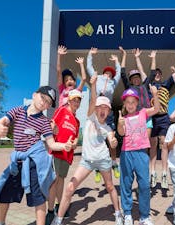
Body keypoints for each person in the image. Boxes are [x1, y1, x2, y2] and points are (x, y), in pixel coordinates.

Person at [0, 86, 72, 225]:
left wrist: (64, 145)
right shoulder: (17, 111)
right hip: (17, 162)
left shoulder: (44, 121)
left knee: (39, 199)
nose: (43, 103)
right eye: (42, 98)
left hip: (34, 162)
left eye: (48, 102)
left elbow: (51, 144)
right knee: (4, 192)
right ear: (34, 95)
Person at [50, 75, 123, 225]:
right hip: (87, 162)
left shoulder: (108, 128)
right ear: (95, 109)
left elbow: (112, 141)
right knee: (70, 187)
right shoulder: (90, 118)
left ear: (109, 111)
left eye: (106, 108)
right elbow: (93, 99)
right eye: (100, 107)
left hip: (103, 161)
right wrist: (94, 84)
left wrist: (114, 142)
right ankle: (58, 219)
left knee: (110, 187)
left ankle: (118, 213)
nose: (103, 110)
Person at [143, 45, 175, 189]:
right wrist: (145, 58)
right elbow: (144, 73)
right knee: (153, 145)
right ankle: (152, 172)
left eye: (158, 73)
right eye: (155, 73)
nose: (156, 75)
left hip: (164, 118)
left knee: (165, 143)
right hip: (152, 118)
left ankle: (164, 173)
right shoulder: (149, 86)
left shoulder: (165, 85)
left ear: (161, 76)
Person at [117, 86, 159, 225]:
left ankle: (144, 217)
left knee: (144, 185)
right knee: (126, 184)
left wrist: (155, 94)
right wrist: (119, 124)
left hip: (141, 153)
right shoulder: (123, 118)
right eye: (127, 102)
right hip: (126, 153)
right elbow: (121, 134)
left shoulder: (143, 113)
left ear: (137, 102)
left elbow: (157, 109)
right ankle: (127, 214)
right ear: (124, 104)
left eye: (132, 102)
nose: (130, 105)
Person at [45, 89, 82, 224]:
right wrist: (53, 128)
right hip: (56, 151)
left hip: (67, 155)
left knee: (61, 180)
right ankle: (49, 212)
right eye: (74, 100)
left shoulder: (77, 121)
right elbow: (52, 124)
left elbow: (76, 136)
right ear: (69, 100)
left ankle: (59, 205)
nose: (76, 103)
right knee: (54, 181)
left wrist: (75, 143)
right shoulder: (62, 110)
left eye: (78, 101)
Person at [87, 47, 121, 183]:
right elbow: (89, 67)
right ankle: (97, 168)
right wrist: (90, 54)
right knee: (96, 140)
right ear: (103, 73)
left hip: (108, 113)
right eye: (107, 72)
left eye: (111, 73)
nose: (109, 74)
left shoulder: (114, 82)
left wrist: (117, 60)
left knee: (111, 140)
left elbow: (118, 72)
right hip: (96, 113)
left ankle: (114, 164)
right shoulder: (98, 78)